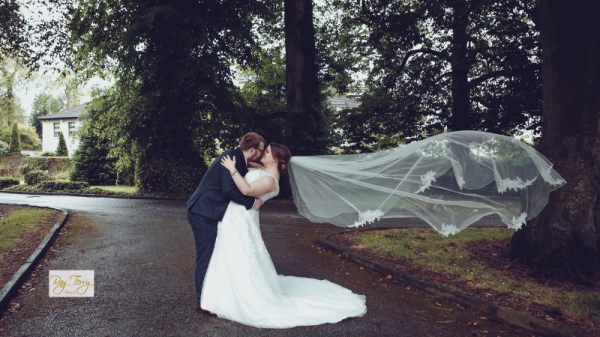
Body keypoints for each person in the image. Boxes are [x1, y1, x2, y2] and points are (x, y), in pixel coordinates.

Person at [201, 143, 367, 328]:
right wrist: (241, 154)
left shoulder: (271, 179)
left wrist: (232, 170)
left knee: (240, 254)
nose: (264, 153)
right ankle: (223, 293)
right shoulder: (265, 170)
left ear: (276, 159)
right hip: (235, 214)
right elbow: (251, 168)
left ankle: (242, 295)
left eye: (268, 151)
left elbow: (247, 190)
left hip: (241, 219)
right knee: (229, 252)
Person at [186, 132, 266, 315]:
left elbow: (242, 172)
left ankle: (208, 297)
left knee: (212, 256)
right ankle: (202, 303)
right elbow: (229, 191)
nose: (262, 155)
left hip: (207, 210)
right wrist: (252, 203)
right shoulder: (230, 158)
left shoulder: (237, 157)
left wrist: (253, 164)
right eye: (261, 151)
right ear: (253, 149)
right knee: (205, 257)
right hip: (202, 211)